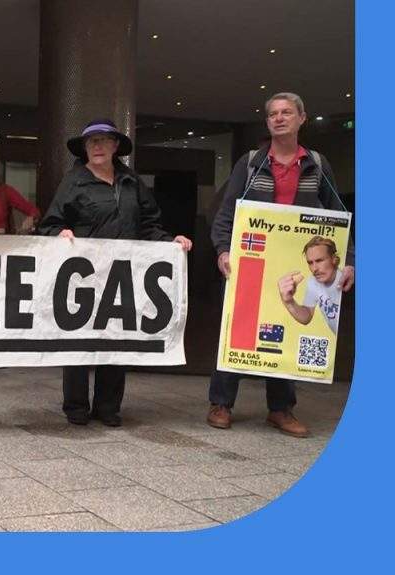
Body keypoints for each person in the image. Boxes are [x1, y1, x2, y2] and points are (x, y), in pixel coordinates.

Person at [208, 92, 355, 438]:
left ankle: (280, 409)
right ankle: (220, 403)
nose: (279, 118)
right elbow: (227, 213)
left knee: (287, 329)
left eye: (287, 112)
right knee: (237, 328)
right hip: (252, 260)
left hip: (297, 262)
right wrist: (223, 251)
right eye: (273, 113)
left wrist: (349, 260)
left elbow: (339, 217)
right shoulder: (250, 163)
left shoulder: (317, 164)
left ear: (302, 118)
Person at [38, 119, 193, 427]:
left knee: (117, 339)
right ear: (84, 148)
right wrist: (60, 232)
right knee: (79, 341)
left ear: (115, 146)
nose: (97, 146)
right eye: (91, 142)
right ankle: (76, 407)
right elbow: (50, 224)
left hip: (124, 275)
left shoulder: (131, 181)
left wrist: (170, 241)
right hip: (83, 276)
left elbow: (149, 224)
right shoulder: (73, 181)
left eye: (103, 140)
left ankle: (108, 407)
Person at [278, 236, 344, 335]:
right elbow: (306, 316)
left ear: (334, 259)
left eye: (320, 260)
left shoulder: (347, 280)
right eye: (310, 263)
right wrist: (289, 301)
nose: (314, 268)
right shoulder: (313, 282)